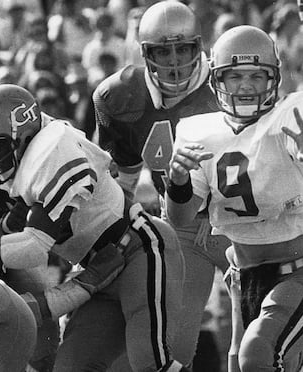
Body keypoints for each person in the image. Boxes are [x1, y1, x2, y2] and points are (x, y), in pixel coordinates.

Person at [0, 83, 189, 372]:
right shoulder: (32, 152)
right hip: (100, 266)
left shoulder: (51, 151)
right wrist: (85, 282)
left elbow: (32, 250)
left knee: (151, 363)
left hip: (137, 248)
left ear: (22, 136)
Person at [166, 25, 303, 372]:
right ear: (217, 80)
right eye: (234, 77)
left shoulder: (292, 109)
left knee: (256, 355)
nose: (245, 86)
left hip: (302, 271)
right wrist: (178, 180)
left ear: (273, 79)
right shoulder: (195, 130)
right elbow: (180, 219)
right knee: (252, 362)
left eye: (257, 76)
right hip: (243, 278)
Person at [93, 2, 230, 367]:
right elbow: (120, 181)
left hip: (243, 220)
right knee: (171, 347)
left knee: (264, 340)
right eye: (163, 51)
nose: (173, 60)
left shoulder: (226, 85)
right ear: (144, 54)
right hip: (184, 223)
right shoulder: (120, 97)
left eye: (182, 48)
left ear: (198, 47)